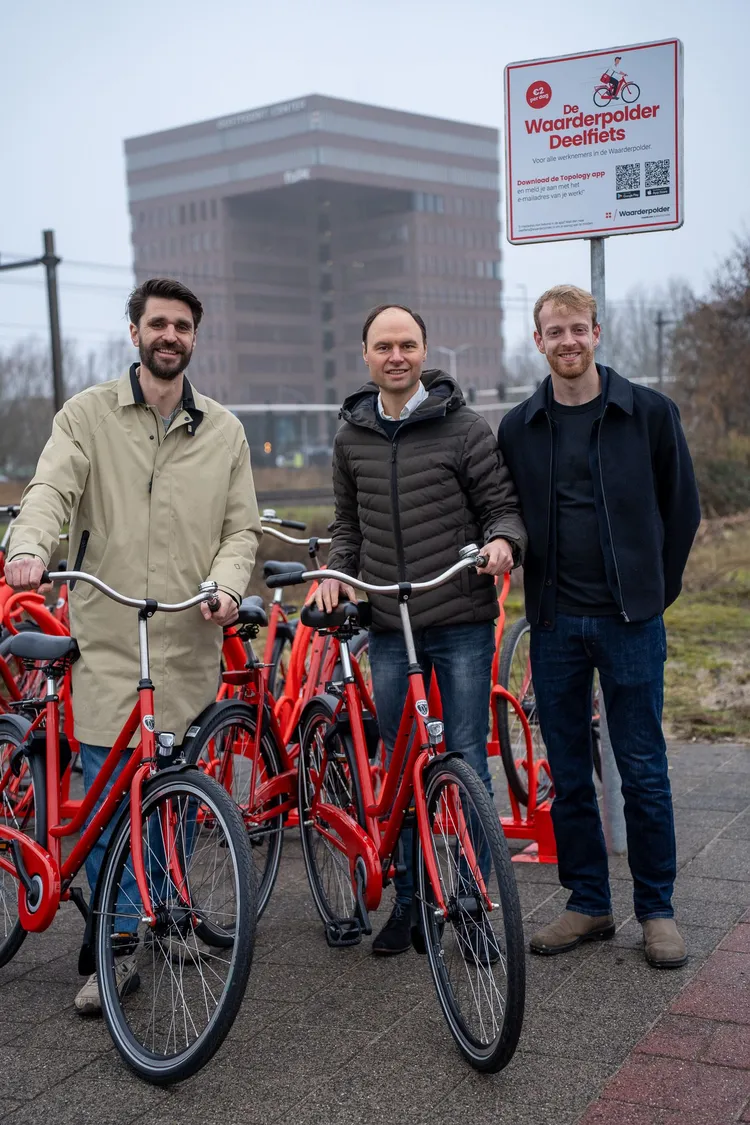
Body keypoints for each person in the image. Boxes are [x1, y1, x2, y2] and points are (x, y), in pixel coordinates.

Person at [6, 277, 262, 1013]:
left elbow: (240, 528)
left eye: (182, 325)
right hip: (110, 641)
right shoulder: (86, 416)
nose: (170, 335)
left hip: (186, 641)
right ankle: (114, 954)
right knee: (116, 806)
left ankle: (163, 912)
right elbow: (51, 490)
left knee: (176, 799)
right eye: (158, 323)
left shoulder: (225, 431)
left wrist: (225, 580)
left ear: (193, 338)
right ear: (134, 332)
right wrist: (28, 546)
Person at [497, 284, 700, 969]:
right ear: (539, 341)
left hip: (630, 621)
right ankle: (587, 902)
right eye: (554, 332)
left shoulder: (648, 414)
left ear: (597, 331)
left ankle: (657, 909)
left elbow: (683, 511)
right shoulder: (520, 427)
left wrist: (652, 593)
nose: (568, 341)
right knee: (569, 772)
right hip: (554, 623)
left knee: (642, 768)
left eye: (578, 329)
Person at [316, 303, 527, 955]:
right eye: (384, 345)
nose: (397, 355)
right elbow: (349, 526)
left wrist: (501, 544)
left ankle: (467, 906)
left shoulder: (464, 427)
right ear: (366, 354)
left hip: (459, 616)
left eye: (407, 343)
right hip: (387, 621)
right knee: (399, 765)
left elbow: (503, 508)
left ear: (424, 349)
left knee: (464, 760)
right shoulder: (351, 435)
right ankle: (409, 902)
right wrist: (333, 573)